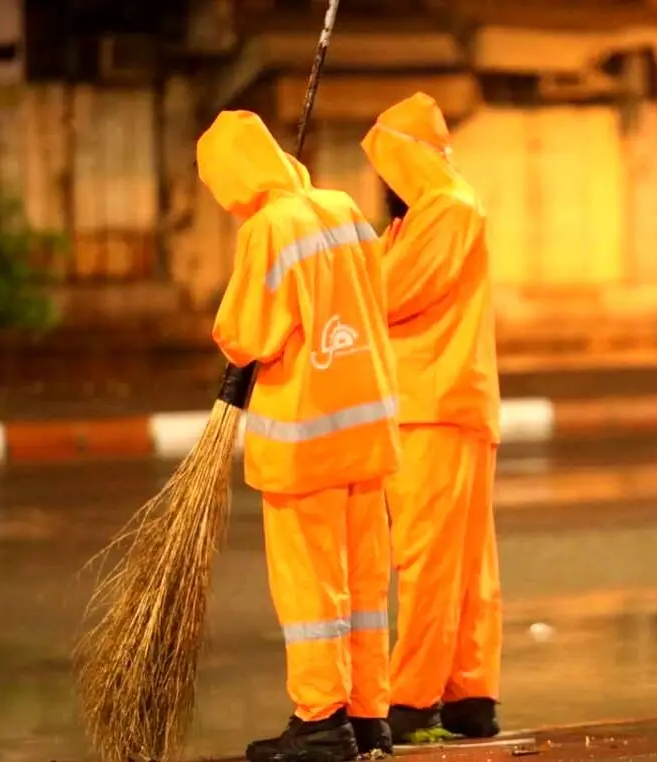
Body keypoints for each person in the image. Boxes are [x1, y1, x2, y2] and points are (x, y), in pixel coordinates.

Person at [197, 109, 401, 762]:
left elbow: (245, 333)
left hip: (305, 437)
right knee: (365, 584)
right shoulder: (342, 207)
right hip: (367, 428)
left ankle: (319, 724)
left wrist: (234, 337)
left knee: (312, 588)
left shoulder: (268, 227)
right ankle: (369, 715)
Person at [360, 92, 503, 743]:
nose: (378, 186)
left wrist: (332, 282)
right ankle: (468, 695)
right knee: (463, 563)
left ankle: (410, 699)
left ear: (401, 167)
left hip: (433, 407)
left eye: (383, 170)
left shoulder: (444, 210)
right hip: (445, 404)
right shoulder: (424, 217)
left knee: (425, 559)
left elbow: (385, 296)